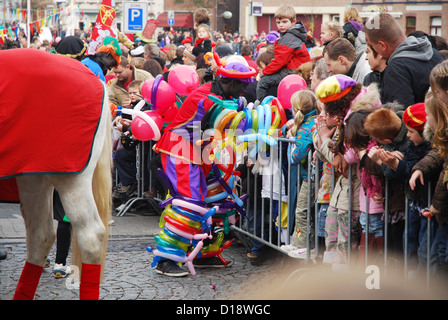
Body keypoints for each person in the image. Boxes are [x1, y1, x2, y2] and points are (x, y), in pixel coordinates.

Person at [153, 61, 256, 276]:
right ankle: (166, 259)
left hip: (200, 152)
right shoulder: (205, 98)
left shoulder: (226, 97)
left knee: (212, 201)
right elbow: (218, 128)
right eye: (242, 84)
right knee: (190, 203)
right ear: (226, 80)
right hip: (179, 149)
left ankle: (202, 254)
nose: (245, 88)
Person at [314, 74, 382, 265]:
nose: (324, 117)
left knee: (345, 248)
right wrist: (325, 142)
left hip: (352, 196)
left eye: (327, 112)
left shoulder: (356, 118)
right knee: (334, 241)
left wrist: (325, 140)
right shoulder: (348, 116)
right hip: (343, 193)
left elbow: (343, 160)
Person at [364, 12, 445, 108]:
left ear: (382, 45)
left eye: (372, 46)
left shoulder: (396, 69)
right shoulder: (436, 54)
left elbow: (399, 116)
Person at [364, 106, 409, 258]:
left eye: (377, 140)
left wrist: (381, 161)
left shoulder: (406, 143)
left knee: (398, 251)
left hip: (401, 206)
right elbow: (369, 168)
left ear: (386, 140)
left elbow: (391, 174)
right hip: (390, 205)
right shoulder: (392, 137)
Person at [344, 109, 384, 264]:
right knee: (366, 227)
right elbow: (347, 157)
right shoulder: (361, 150)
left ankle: (377, 265)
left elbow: (376, 172)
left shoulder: (373, 150)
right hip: (367, 201)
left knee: (376, 229)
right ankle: (365, 265)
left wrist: (361, 152)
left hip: (377, 202)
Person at [285, 90, 318, 258]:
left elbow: (298, 156)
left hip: (310, 177)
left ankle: (301, 245)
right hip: (317, 176)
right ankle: (308, 245)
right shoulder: (314, 121)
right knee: (311, 211)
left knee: (302, 210)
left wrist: (292, 155)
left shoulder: (305, 127)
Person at [256, 5, 311, 102]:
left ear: (293, 22)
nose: (281, 25)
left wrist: (262, 74)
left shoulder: (288, 37)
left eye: (284, 22)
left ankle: (262, 106)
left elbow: (279, 62)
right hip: (296, 69)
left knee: (263, 82)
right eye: (278, 22)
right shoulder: (292, 35)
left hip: (293, 71)